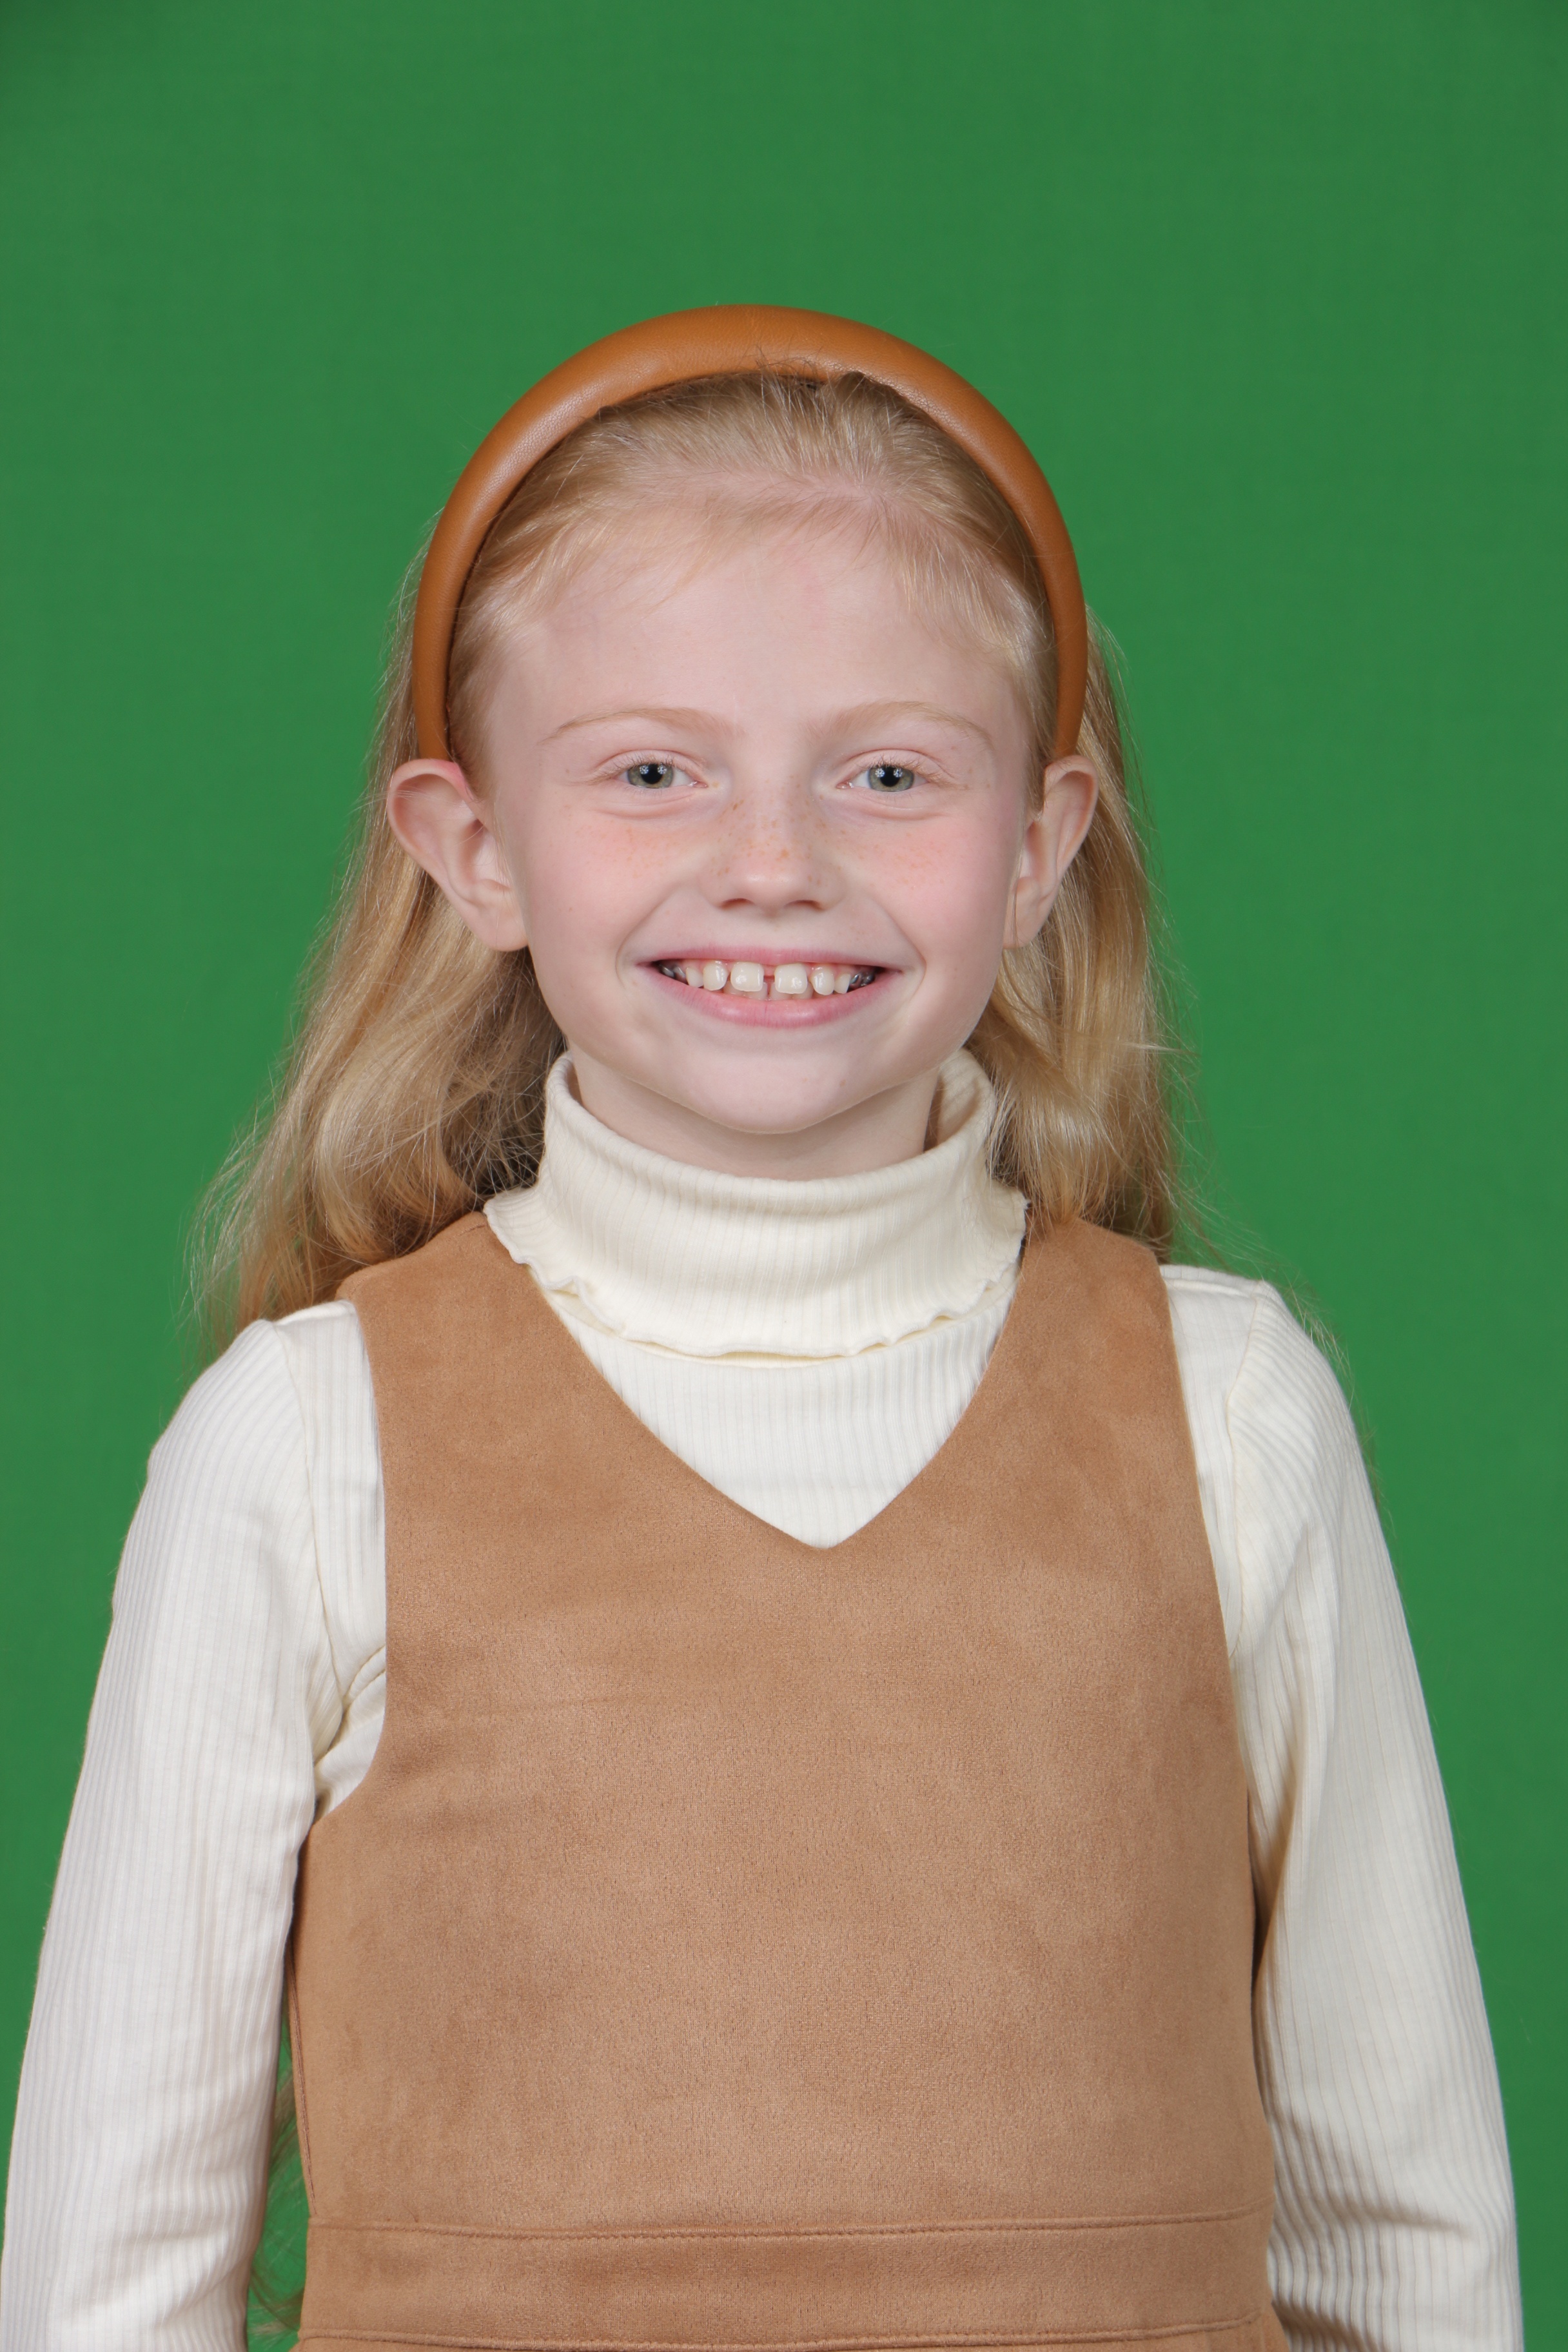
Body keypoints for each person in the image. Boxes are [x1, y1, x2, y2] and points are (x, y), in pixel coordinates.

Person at [1, 309, 1521, 2351]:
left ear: (1040, 845)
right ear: (475, 852)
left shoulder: (1229, 1414)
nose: (776, 866)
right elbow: (106, 2283)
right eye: (653, 772)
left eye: (888, 774)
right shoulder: (303, 1447)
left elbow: (1406, 2234)